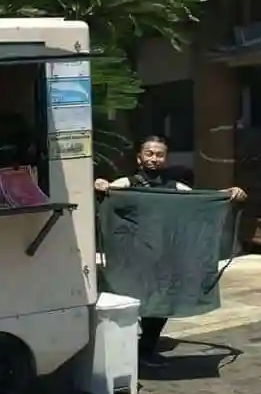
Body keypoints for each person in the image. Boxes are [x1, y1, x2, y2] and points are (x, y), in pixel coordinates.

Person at [94, 135, 246, 367]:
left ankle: (145, 351)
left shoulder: (175, 188)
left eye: (159, 154)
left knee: (162, 301)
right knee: (129, 301)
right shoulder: (125, 184)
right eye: (149, 153)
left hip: (164, 257)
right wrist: (100, 184)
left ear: (165, 158)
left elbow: (201, 199)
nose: (154, 158)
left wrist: (228, 194)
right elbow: (103, 193)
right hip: (133, 257)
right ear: (139, 157)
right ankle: (124, 351)